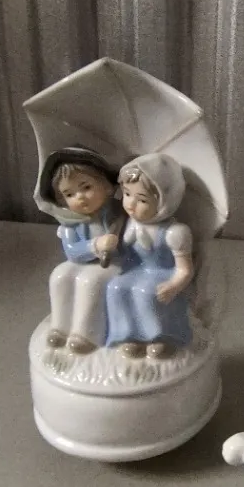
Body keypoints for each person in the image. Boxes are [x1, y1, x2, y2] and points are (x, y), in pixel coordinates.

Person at [105, 153, 194, 360]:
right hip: (138, 270)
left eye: (142, 199)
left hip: (163, 273)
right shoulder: (127, 223)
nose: (131, 204)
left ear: (164, 202)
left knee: (144, 292)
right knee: (116, 287)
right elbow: (124, 255)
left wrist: (174, 285)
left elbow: (185, 270)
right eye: (127, 194)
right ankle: (128, 335)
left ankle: (161, 337)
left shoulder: (175, 232)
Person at [38, 146, 124, 353]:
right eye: (69, 194)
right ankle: (61, 327)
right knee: (60, 275)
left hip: (116, 263)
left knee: (90, 281)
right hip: (85, 260)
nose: (80, 197)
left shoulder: (118, 213)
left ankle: (87, 334)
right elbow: (72, 252)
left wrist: (117, 242)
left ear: (107, 186)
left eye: (86, 187)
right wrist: (95, 245)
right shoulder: (71, 222)